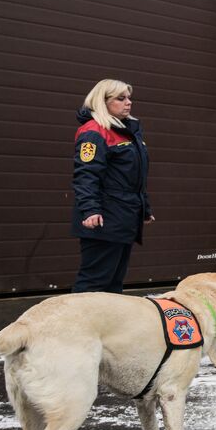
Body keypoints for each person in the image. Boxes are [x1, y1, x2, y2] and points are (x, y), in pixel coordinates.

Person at [71, 79, 152, 293]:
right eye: (121, 98)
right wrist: (90, 210)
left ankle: (106, 326)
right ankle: (78, 325)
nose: (129, 102)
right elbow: (86, 175)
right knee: (94, 282)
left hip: (124, 217)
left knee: (114, 283)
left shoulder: (127, 131)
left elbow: (135, 176)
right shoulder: (94, 132)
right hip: (104, 220)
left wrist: (145, 208)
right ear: (103, 101)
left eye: (129, 97)